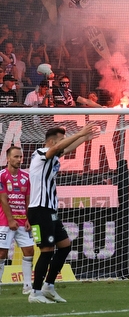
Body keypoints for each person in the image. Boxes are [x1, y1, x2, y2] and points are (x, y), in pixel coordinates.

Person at [27, 124, 100, 304]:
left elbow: (64, 148)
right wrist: (80, 133)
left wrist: (84, 138)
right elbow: (59, 147)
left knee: (65, 246)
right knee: (46, 250)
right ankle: (34, 293)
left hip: (50, 210)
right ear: (51, 142)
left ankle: (49, 286)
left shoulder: (53, 156)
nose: (61, 144)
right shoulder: (39, 154)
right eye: (59, 140)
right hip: (39, 209)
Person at [0, 146, 34, 296]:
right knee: (1, 253)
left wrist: (29, 218)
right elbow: (3, 199)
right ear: (7, 158)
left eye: (21, 157)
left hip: (22, 222)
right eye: (16, 157)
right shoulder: (1, 176)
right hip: (5, 222)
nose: (19, 160)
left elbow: (28, 199)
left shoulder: (26, 177)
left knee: (29, 251)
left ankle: (27, 286)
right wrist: (10, 220)